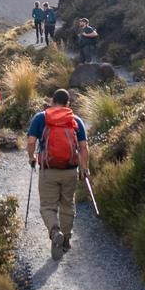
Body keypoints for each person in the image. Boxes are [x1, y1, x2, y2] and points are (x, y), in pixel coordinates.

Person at [27, 89, 90, 259]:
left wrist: (31, 157)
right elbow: (83, 147)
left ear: (52, 101)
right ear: (68, 103)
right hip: (70, 171)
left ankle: (55, 232)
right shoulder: (75, 120)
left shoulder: (41, 117)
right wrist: (84, 168)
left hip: (49, 170)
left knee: (47, 206)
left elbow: (31, 141)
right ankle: (67, 239)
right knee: (67, 204)